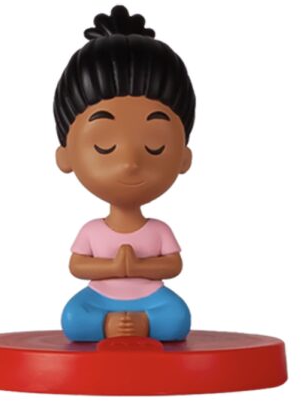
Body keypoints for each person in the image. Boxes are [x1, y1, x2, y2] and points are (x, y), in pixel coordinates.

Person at [53, 5, 196, 342]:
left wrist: (139, 268)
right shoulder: (91, 230)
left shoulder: (158, 230)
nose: (131, 162)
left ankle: (142, 324)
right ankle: (109, 325)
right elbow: (77, 266)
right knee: (73, 318)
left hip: (152, 298)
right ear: (66, 156)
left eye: (155, 146)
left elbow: (173, 266)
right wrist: (115, 268)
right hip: (98, 298)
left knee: (177, 318)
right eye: (104, 146)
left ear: (183, 158)